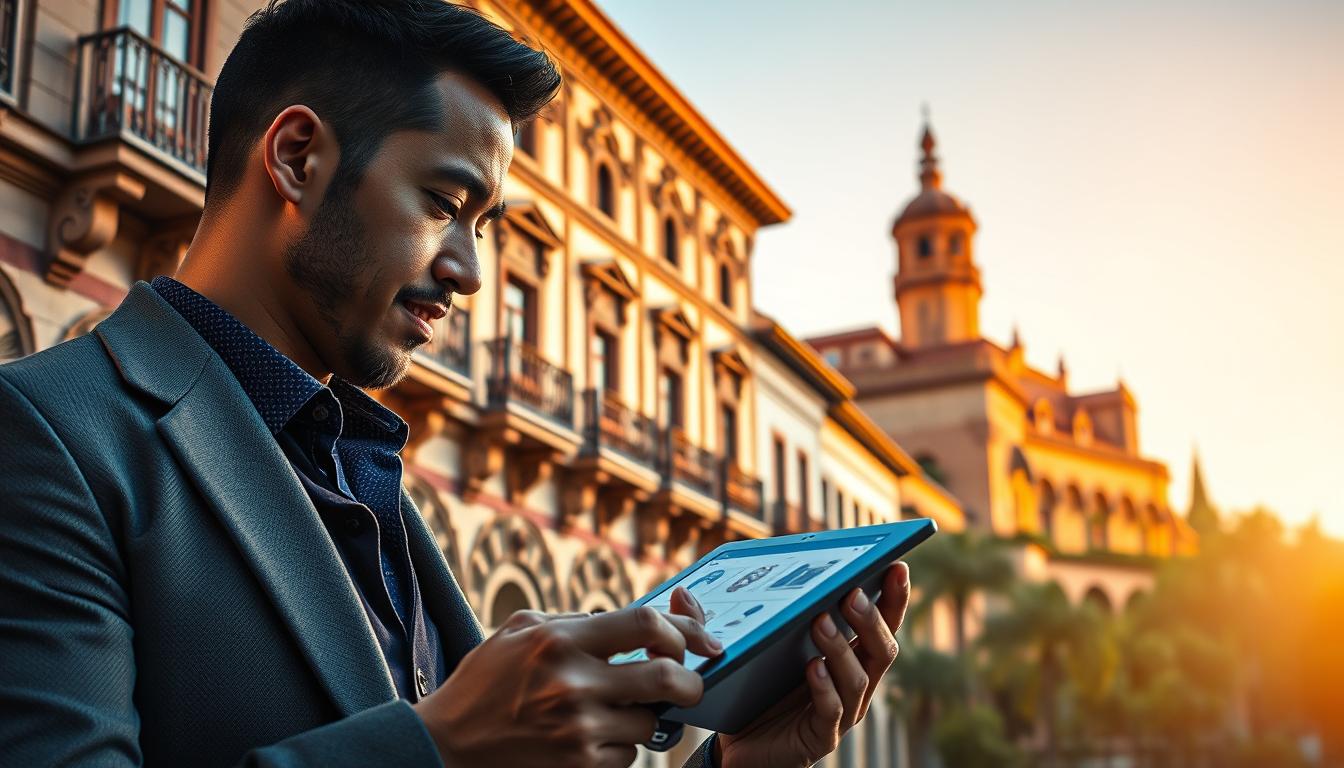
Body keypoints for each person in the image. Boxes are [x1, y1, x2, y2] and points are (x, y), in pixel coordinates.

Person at [0, 1, 911, 766]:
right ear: (297, 158)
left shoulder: (364, 472)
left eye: (482, 225)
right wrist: (445, 744)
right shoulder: (47, 435)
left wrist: (734, 764)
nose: (470, 272)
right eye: (444, 205)